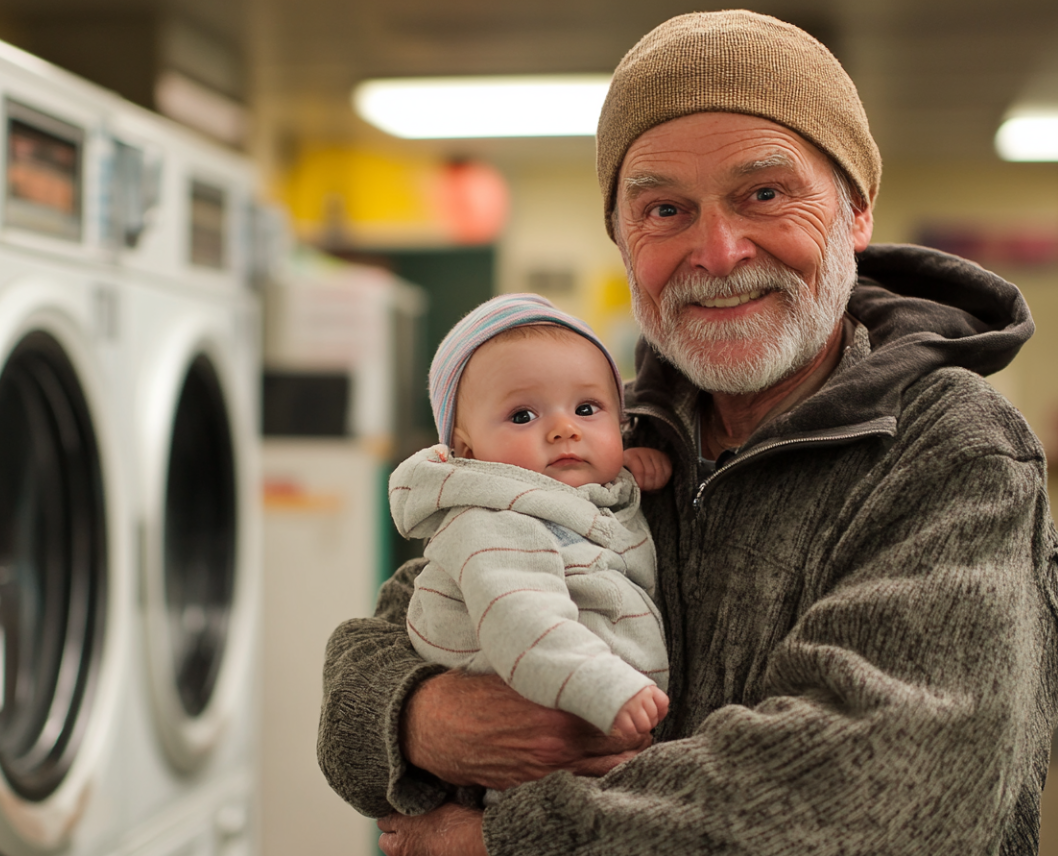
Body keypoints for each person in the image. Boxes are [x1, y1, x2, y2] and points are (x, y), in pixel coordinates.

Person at [317, 9, 1058, 856]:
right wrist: (424, 716)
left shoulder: (951, 448)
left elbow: (885, 789)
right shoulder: (603, 439)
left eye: (765, 194)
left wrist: (502, 842)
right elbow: (362, 673)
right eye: (664, 210)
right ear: (624, 244)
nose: (717, 250)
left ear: (855, 213)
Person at [390, 294, 672, 758]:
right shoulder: (494, 524)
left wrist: (623, 470)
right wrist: (602, 684)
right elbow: (519, 618)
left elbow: (590, 516)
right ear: (468, 452)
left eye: (587, 409)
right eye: (523, 416)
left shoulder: (562, 495)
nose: (565, 429)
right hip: (533, 729)